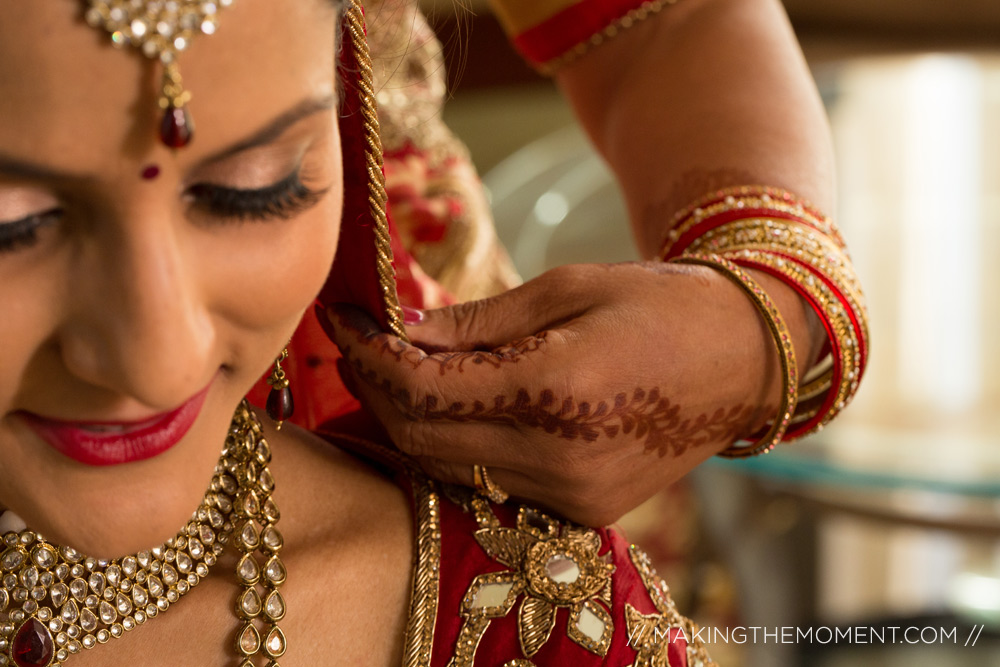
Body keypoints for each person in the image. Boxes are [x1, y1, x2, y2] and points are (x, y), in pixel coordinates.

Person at [0, 1, 866, 666]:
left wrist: (764, 304)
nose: (159, 360)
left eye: (253, 188)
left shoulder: (513, 604)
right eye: (12, 223)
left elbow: (668, 23)